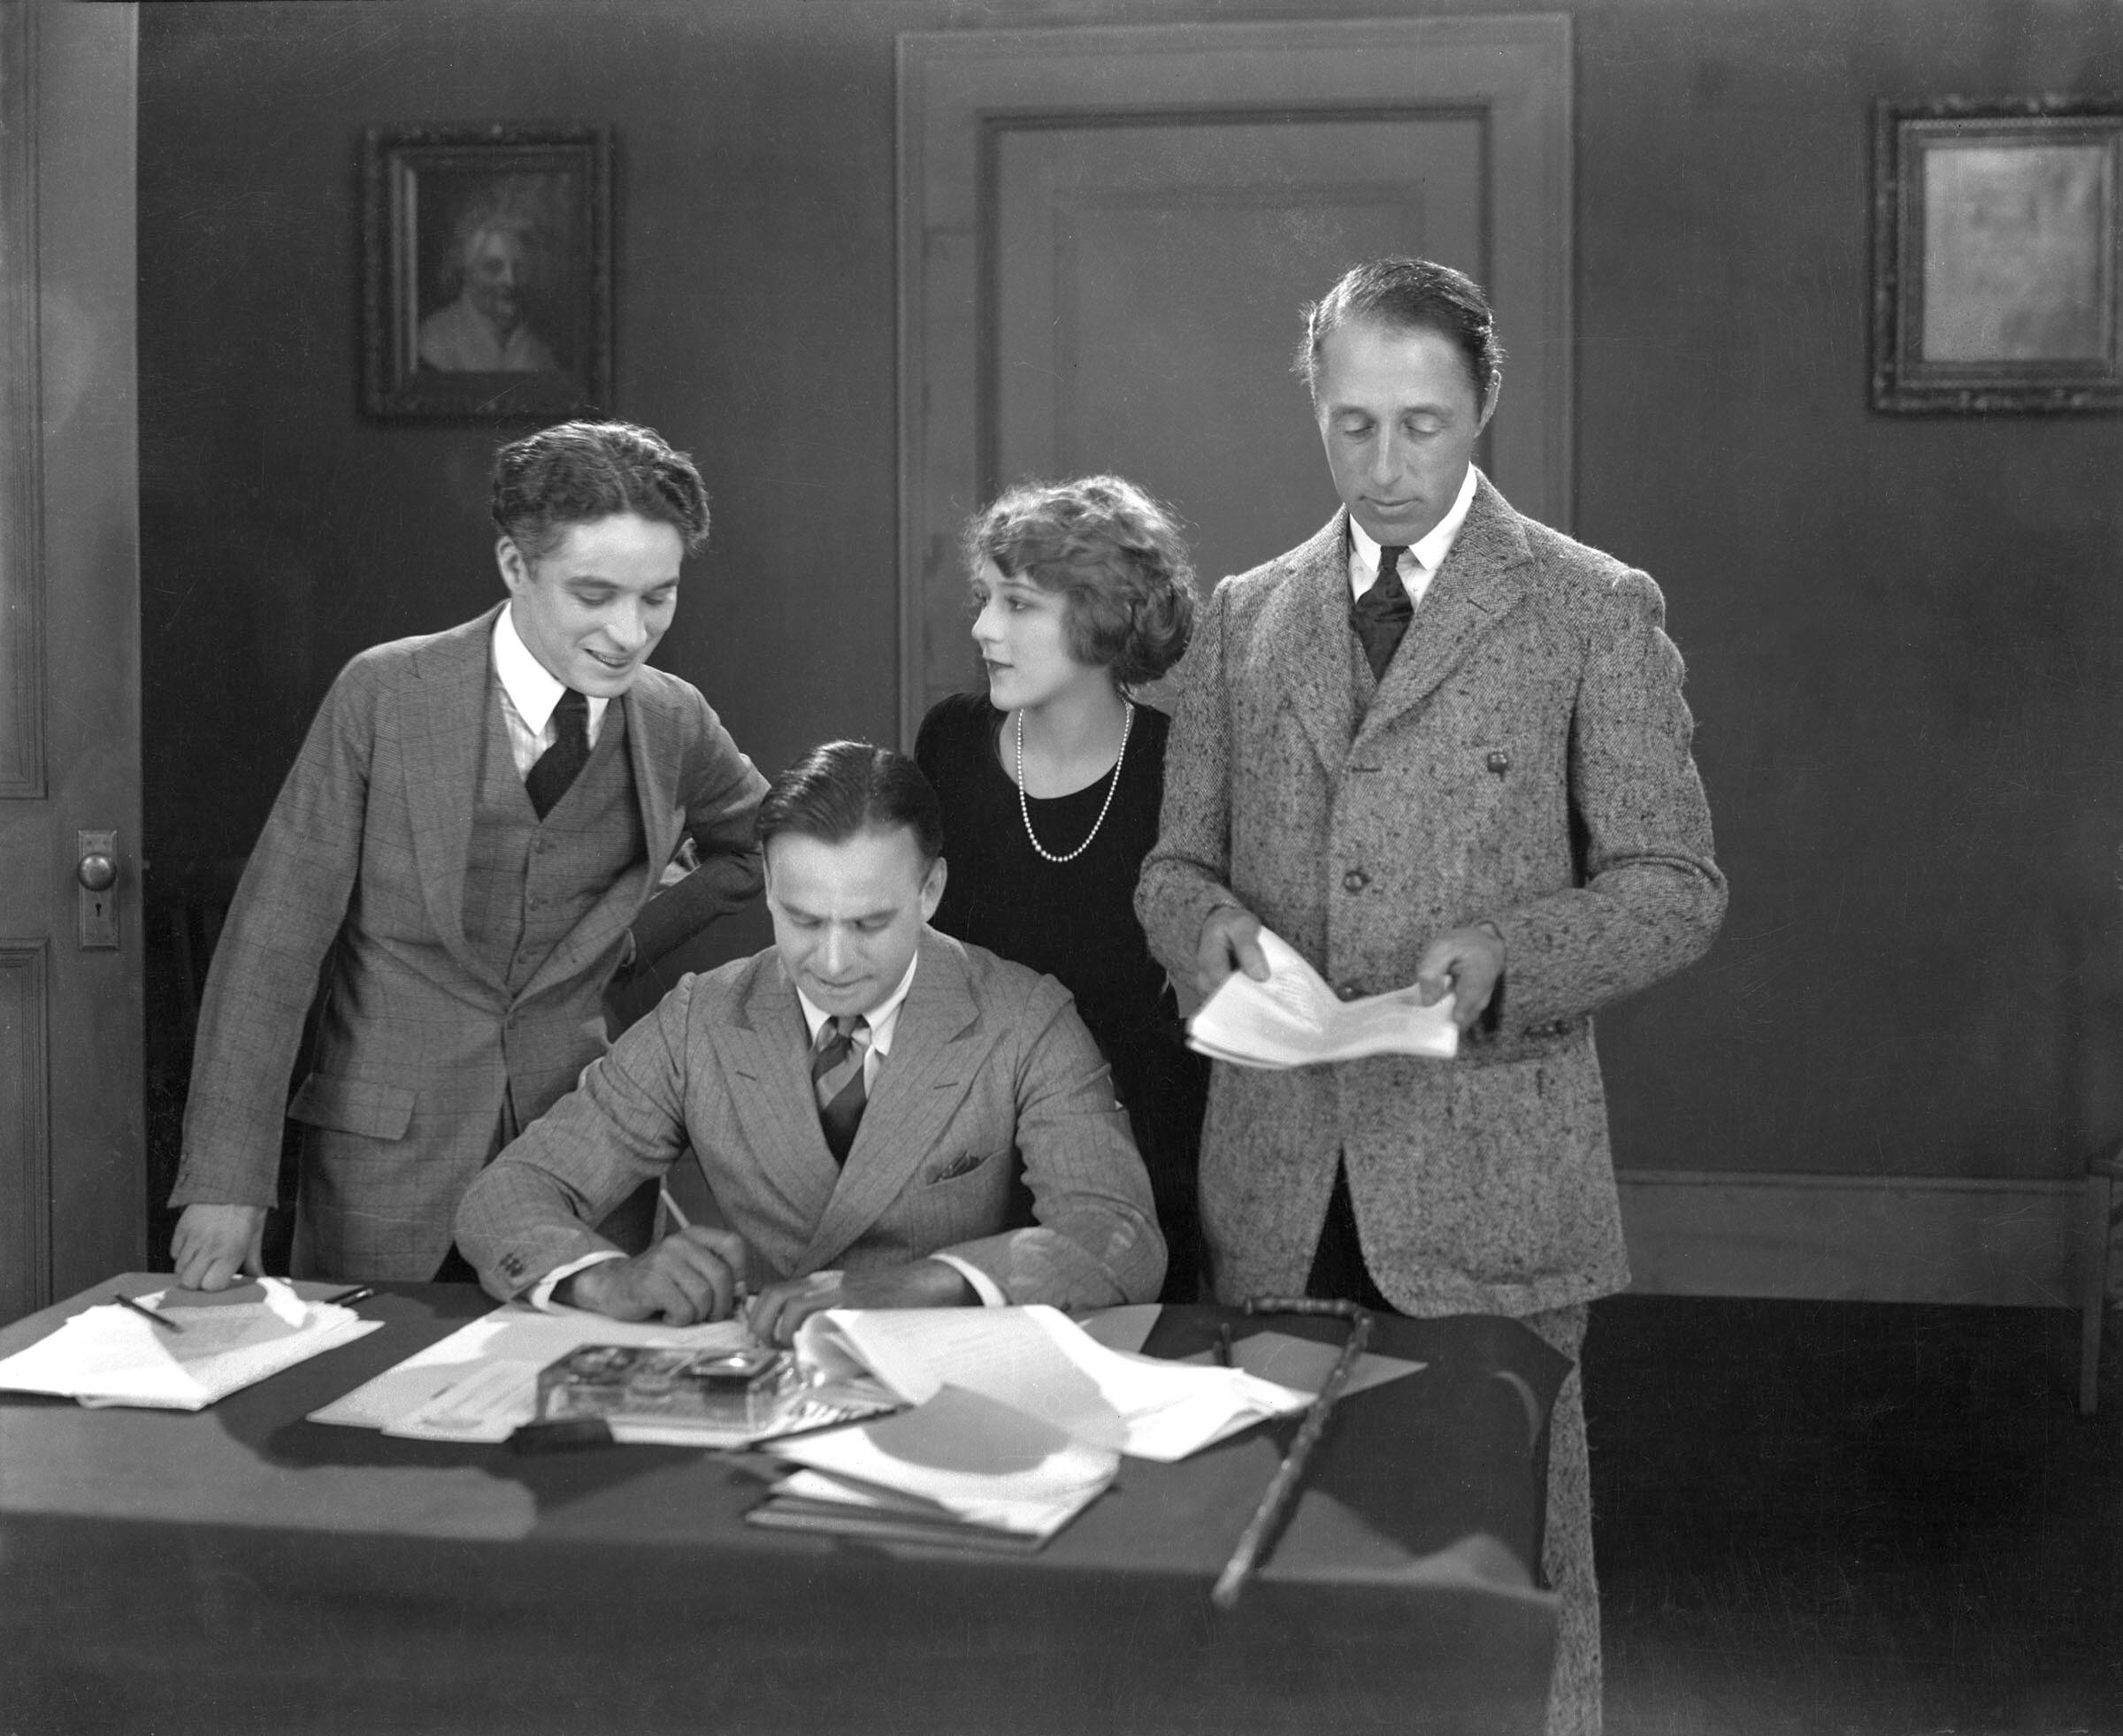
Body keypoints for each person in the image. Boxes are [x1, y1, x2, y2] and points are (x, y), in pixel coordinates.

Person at [1134, 258, 1726, 1736]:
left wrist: (1512, 955)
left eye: (1423, 424)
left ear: (1483, 409)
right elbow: (1172, 867)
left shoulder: (1590, 607)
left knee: (1504, 1581)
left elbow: (1674, 885)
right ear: (1315, 410)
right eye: (1353, 425)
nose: (1386, 464)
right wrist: (1207, 928)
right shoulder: (1246, 614)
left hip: (1491, 1184)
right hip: (1278, 1179)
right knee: (1273, 1573)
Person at [169, 420, 770, 1289]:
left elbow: (762, 847)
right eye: (594, 594)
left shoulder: (673, 716)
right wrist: (228, 1182)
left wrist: (628, 940)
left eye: (658, 597)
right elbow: (273, 947)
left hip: (583, 1164)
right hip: (384, 1167)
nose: (629, 631)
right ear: (516, 565)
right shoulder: (384, 694)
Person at [455, 741, 1166, 1341]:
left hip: (955, 1395)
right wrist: (603, 1279)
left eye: (868, 924)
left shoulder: (1025, 1017)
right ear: (767, 886)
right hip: (760, 1386)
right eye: (802, 919)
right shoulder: (700, 1019)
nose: (831, 961)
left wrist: (924, 1284)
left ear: (930, 891)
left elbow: (1119, 1235)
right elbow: (505, 1195)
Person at [916, 476, 1209, 1300]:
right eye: (984, 598)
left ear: (1102, 616)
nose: (983, 627)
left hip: (1142, 1159)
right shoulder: (949, 740)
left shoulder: (1180, 764)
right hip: (968, 1156)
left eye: (1017, 604)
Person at [418, 208, 559, 373]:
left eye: (519, 268)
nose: (510, 281)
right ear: (467, 273)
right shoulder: (434, 338)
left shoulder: (538, 347)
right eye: (494, 267)